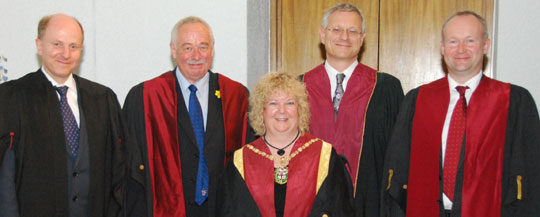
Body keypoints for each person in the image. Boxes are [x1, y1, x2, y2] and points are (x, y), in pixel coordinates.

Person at [381, 11, 540, 217]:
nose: (461, 49)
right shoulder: (416, 100)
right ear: (443, 48)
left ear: (485, 45)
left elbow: (529, 177)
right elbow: (397, 169)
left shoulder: (514, 101)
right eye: (453, 41)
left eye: (470, 41)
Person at [123, 16, 253, 217]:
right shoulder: (144, 97)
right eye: (187, 48)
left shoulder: (237, 97)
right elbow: (131, 171)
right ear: (173, 50)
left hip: (222, 209)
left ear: (212, 49)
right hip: (165, 209)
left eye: (203, 46)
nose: (196, 55)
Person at [0, 13, 125, 217]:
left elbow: (117, 173)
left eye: (73, 46)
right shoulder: (12, 97)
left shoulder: (103, 99)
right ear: (39, 45)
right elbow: (5, 178)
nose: (65, 54)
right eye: (57, 44)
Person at [302, 3, 404, 216]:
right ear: (323, 35)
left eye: (353, 31)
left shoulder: (386, 88)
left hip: (369, 205)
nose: (344, 37)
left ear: (362, 38)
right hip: (308, 205)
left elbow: (398, 158)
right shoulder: (297, 87)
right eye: (336, 30)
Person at [217, 72, 354, 216]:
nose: (282, 111)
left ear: (300, 110)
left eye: (290, 103)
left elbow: (338, 210)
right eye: (273, 103)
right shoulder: (241, 162)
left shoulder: (324, 158)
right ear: (261, 111)